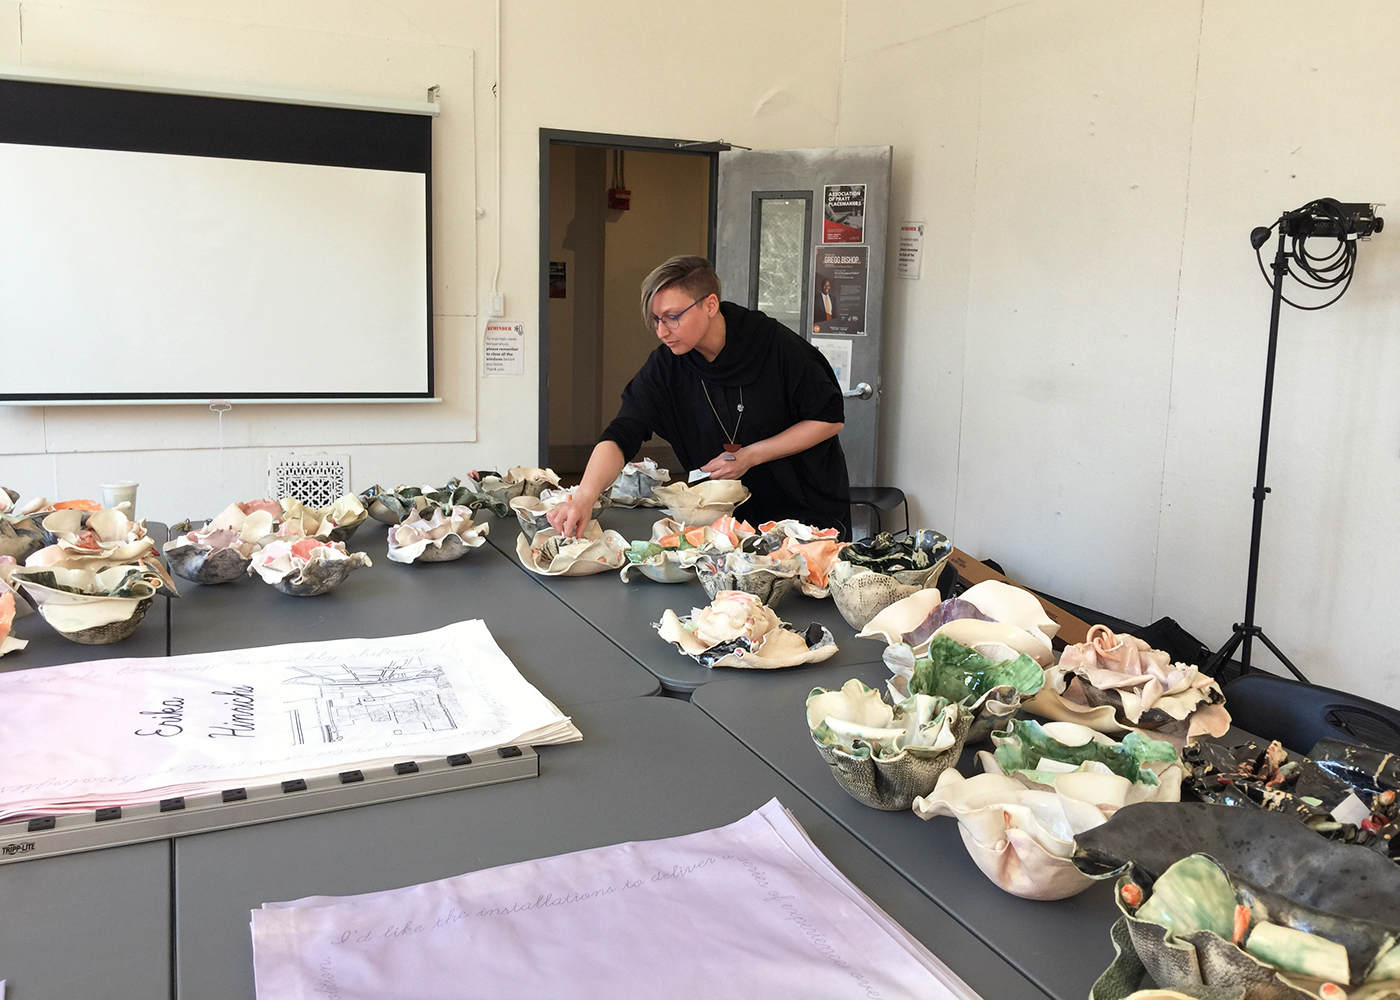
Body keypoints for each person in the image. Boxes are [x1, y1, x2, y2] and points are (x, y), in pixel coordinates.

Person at [547, 255, 851, 539]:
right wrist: (584, 497)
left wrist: (750, 456)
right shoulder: (667, 364)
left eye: (672, 317)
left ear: (710, 304)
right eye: (656, 320)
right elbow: (624, 430)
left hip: (804, 516)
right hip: (728, 519)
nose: (661, 332)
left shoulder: (777, 347)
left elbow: (829, 419)